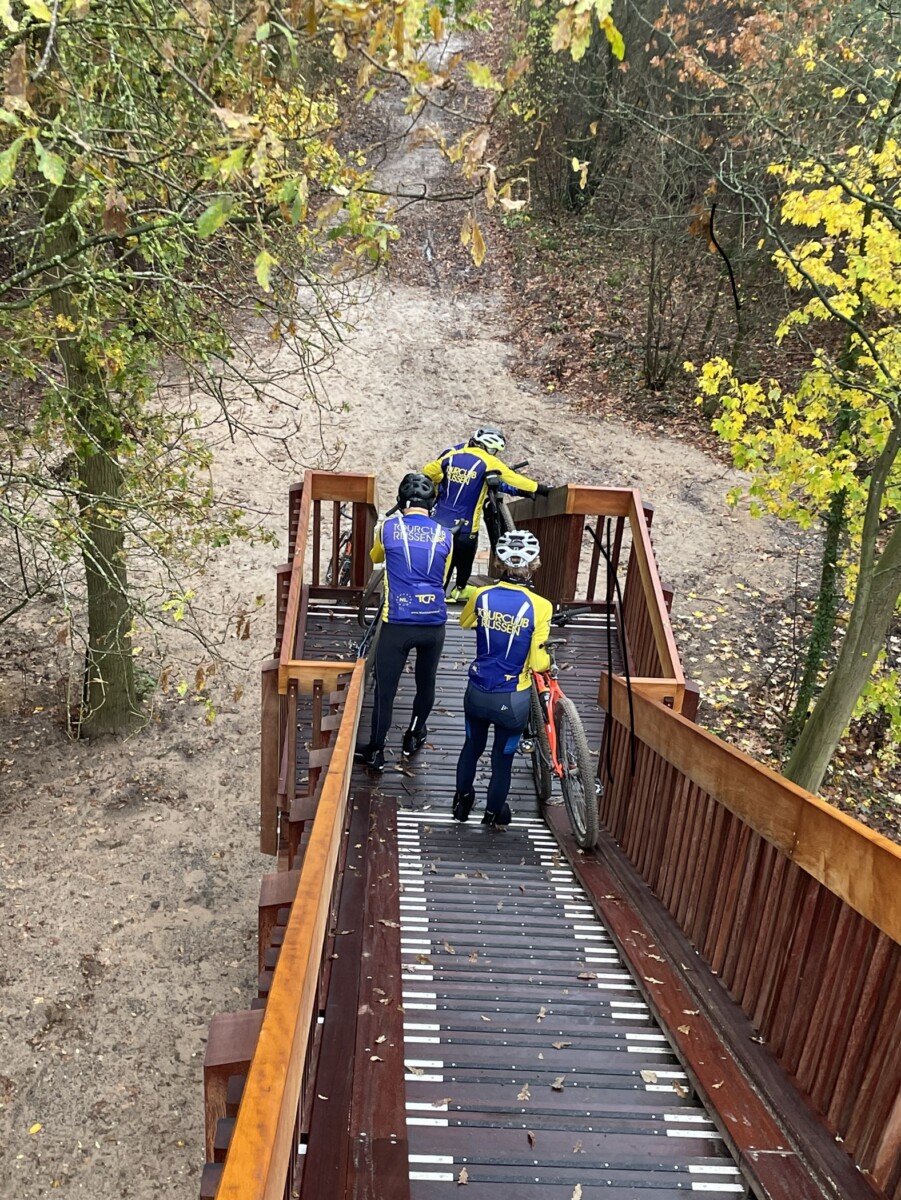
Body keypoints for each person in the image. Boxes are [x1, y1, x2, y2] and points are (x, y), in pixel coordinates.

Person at [452, 529, 553, 827]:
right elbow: (538, 663)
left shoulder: (481, 595)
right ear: (534, 564)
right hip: (512, 698)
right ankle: (493, 813)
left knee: (471, 746)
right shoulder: (541, 606)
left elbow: (464, 621)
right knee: (502, 759)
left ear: (499, 562)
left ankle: (462, 803)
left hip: (477, 691)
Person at [354, 473, 452, 772]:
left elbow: (376, 556)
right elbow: (443, 575)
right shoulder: (445, 534)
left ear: (401, 502)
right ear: (431, 503)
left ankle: (376, 751)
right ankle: (413, 735)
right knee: (426, 682)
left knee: (386, 690)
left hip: (398, 621)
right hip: (434, 622)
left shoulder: (388, 527)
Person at [423, 426, 552, 604]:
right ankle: (459, 589)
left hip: (438, 519)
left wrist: (444, 482)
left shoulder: (451, 455)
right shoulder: (489, 461)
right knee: (465, 557)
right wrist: (539, 488)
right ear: (490, 448)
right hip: (467, 524)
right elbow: (514, 479)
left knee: (437, 557)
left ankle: (433, 593)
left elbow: (428, 472)